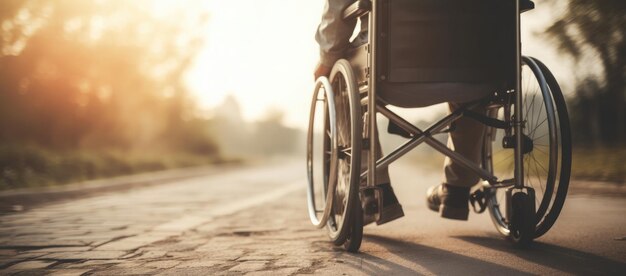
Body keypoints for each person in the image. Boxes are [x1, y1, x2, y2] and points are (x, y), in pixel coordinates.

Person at [314, 0, 488, 223]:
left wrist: (327, 59)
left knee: (338, 84)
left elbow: (338, 9)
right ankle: (457, 189)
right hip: (473, 68)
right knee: (477, 86)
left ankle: (375, 189)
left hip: (392, 68)